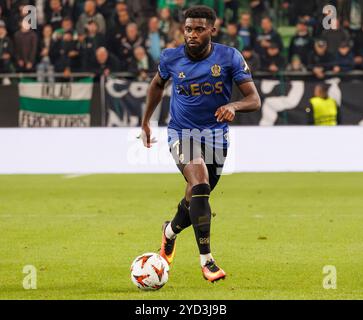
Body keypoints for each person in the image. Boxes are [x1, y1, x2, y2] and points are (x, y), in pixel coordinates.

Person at [141, 6, 261, 282]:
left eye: (198, 29)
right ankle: (207, 261)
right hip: (182, 133)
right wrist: (146, 120)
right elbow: (157, 85)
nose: (192, 34)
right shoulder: (171, 57)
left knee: (196, 197)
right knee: (200, 183)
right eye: (188, 29)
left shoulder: (229, 57)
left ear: (211, 31)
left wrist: (234, 105)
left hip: (216, 137)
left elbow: (254, 99)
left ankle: (169, 231)